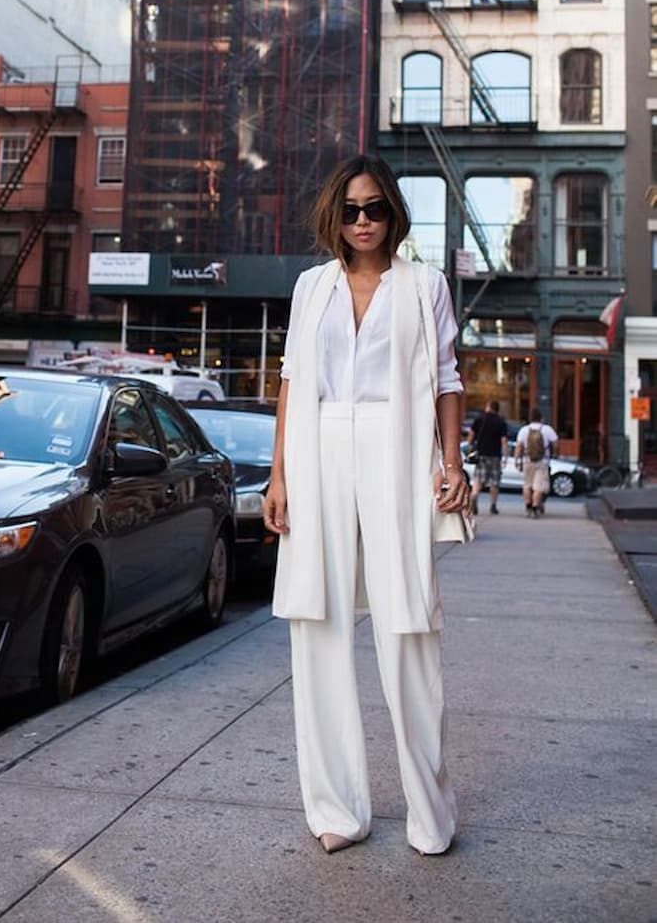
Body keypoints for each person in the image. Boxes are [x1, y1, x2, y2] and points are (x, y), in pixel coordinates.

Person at [262, 154, 468, 857]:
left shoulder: (423, 285)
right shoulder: (310, 286)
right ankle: (337, 809)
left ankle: (430, 815)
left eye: (373, 208)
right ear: (333, 215)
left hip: (395, 450)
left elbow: (445, 379)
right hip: (318, 453)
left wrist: (451, 460)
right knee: (314, 624)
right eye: (349, 209)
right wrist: (278, 475)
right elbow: (291, 379)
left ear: (392, 214)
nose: (361, 222)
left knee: (407, 625)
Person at [514, 407, 558, 518]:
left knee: (527, 485)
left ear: (530, 418)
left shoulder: (524, 430)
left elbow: (519, 447)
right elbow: (556, 444)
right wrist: (555, 454)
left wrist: (517, 459)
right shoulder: (547, 429)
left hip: (527, 460)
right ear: (541, 418)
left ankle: (528, 507)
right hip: (542, 461)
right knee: (539, 486)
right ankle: (535, 507)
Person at [468, 400, 509, 516]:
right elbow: (504, 440)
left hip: (481, 454)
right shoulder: (501, 421)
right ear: (497, 409)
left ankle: (474, 495)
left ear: (488, 407)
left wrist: (471, 447)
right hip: (495, 455)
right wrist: (505, 455)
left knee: (478, 479)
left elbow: (471, 435)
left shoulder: (480, 419)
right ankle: (493, 506)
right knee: (494, 482)